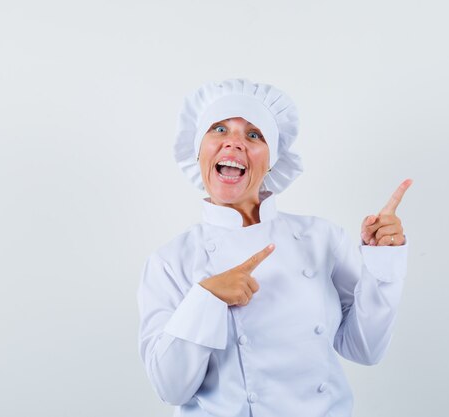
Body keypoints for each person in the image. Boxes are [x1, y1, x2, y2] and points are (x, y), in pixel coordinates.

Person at [137, 78, 412, 417]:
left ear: (272, 160)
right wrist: (206, 298)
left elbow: (365, 349)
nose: (234, 143)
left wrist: (381, 260)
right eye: (219, 129)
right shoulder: (169, 262)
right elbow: (171, 388)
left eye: (254, 135)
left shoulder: (322, 239)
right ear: (198, 150)